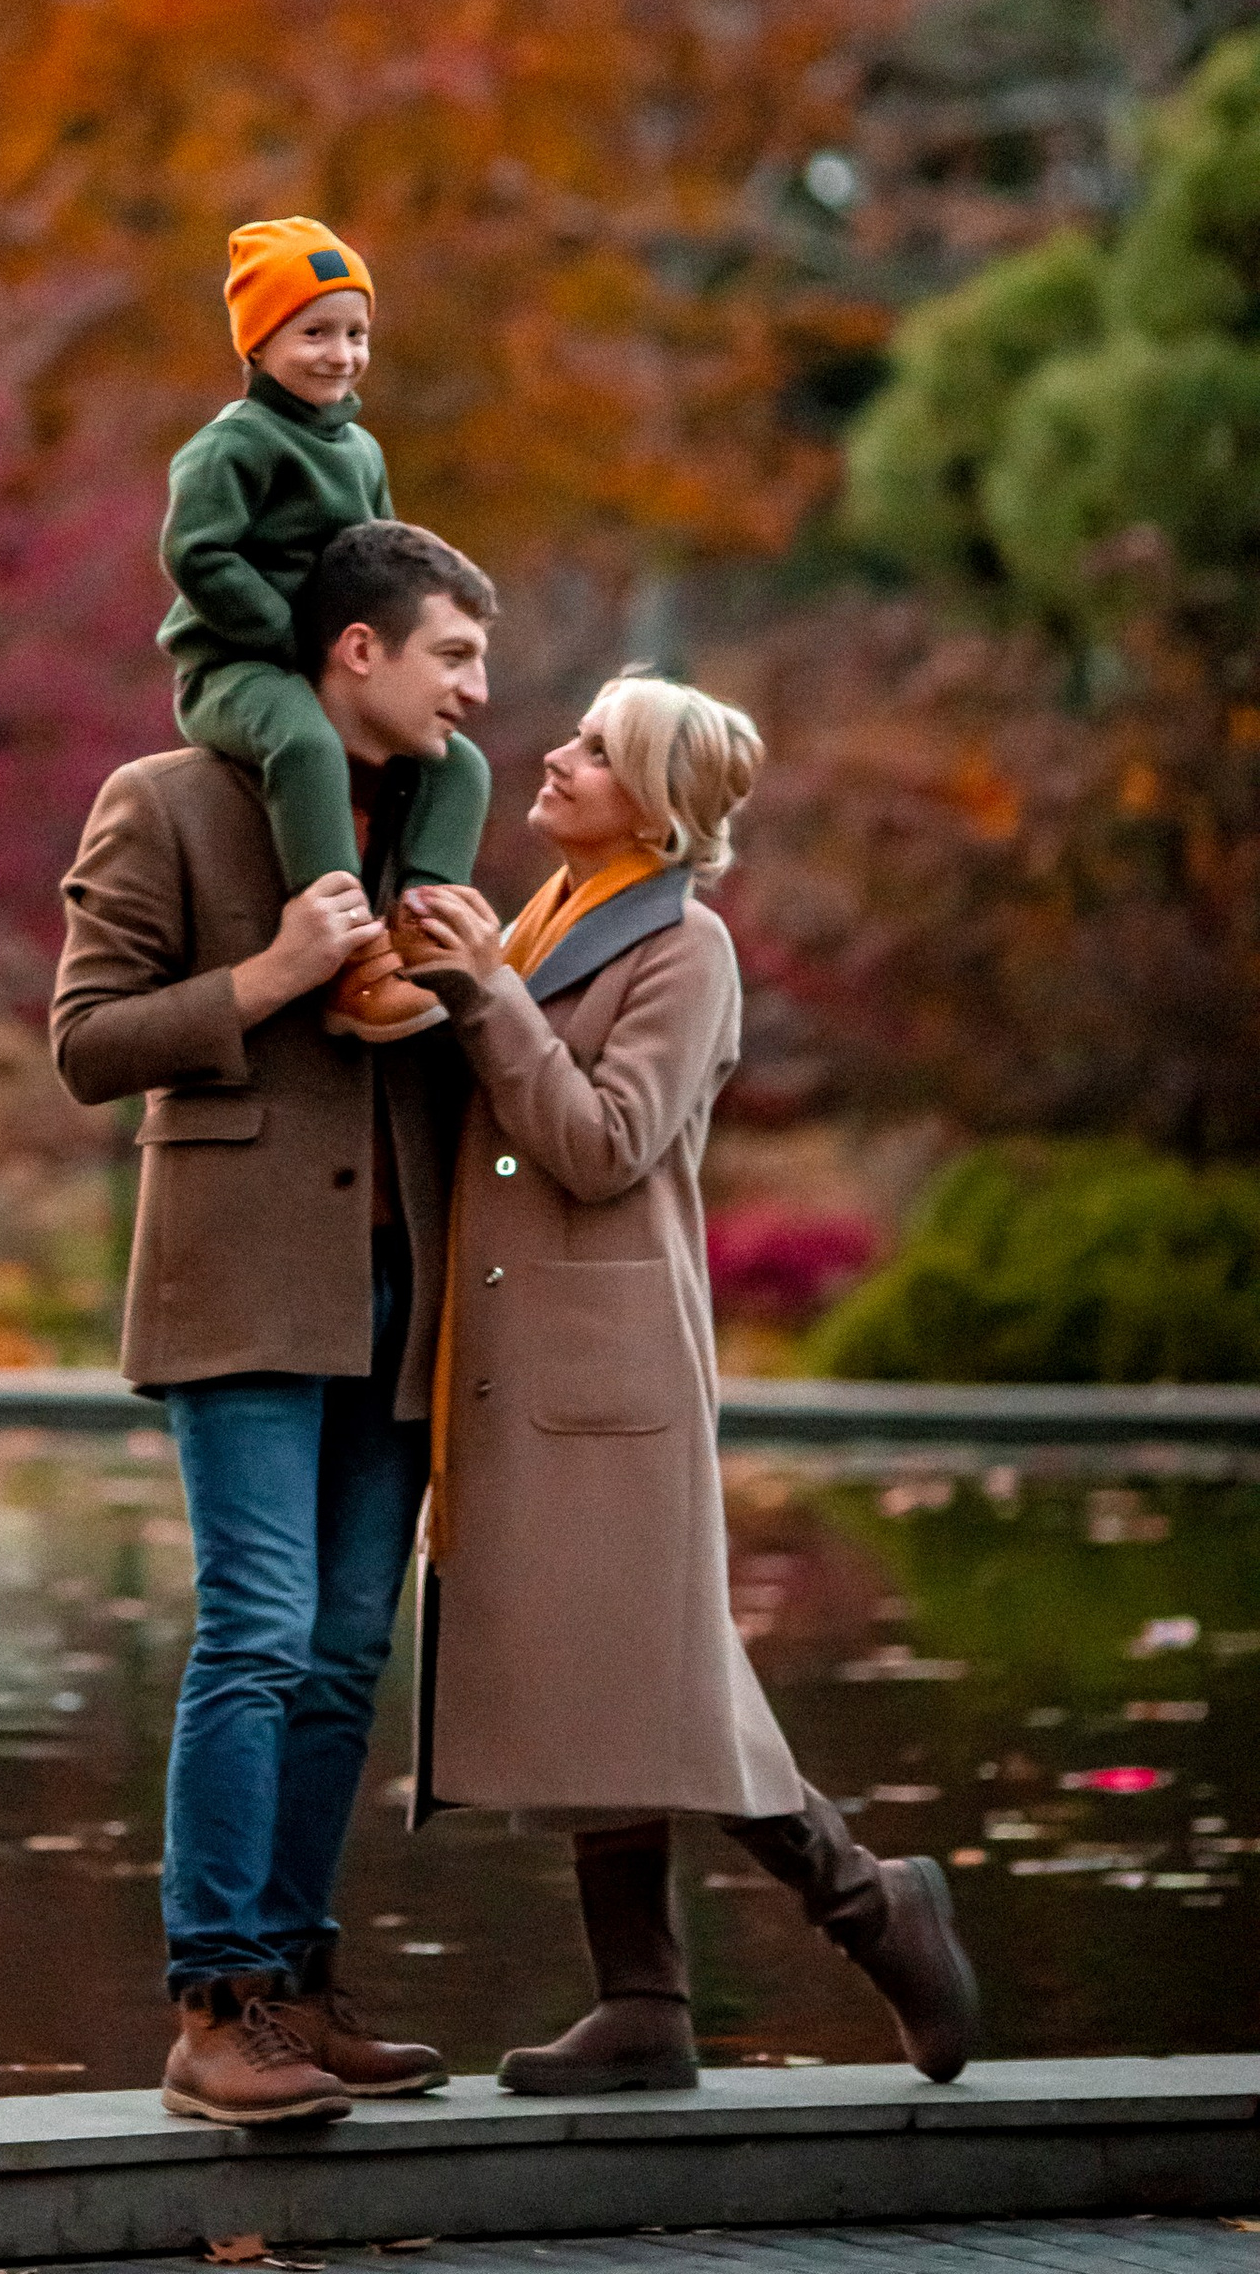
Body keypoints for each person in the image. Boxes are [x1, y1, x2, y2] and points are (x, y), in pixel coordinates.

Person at [400, 670, 981, 2097]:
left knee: (658, 1676)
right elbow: (496, 1122)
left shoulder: (686, 948)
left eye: (596, 752)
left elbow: (602, 1145)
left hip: (613, 1375)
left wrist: (483, 994)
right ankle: (645, 2004)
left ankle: (874, 1909)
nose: (557, 756)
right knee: (599, 1675)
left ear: (657, 810)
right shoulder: (549, 917)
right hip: (527, 1363)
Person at [52, 518, 498, 2128]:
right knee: (257, 1630)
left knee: (348, 1648)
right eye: (454, 655)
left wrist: (475, 988)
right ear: (357, 651)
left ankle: (299, 1989)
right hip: (240, 1284)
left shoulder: (436, 824)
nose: (477, 690)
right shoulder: (164, 801)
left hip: (399, 1300)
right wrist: (273, 973)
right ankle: (216, 2006)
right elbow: (86, 1044)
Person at [160, 217, 490, 904]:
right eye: (315, 333)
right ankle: (338, 917)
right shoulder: (234, 445)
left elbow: (388, 565)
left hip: (339, 664)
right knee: (307, 746)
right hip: (242, 666)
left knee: (458, 765)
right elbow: (198, 553)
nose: (340, 354)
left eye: (356, 334)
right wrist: (289, 637)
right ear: (259, 342)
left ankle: (429, 912)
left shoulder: (362, 451)